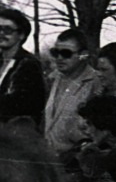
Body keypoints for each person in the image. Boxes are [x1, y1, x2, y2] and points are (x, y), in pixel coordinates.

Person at [41, 28, 102, 157]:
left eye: (66, 53)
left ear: (83, 55)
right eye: (55, 52)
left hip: (77, 163)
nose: (59, 58)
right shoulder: (53, 79)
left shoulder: (95, 83)